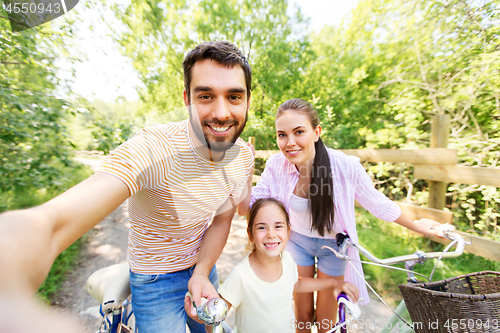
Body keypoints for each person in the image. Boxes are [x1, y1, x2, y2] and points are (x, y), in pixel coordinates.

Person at [0, 41, 254, 333]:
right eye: (206, 96)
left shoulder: (242, 157)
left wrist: (200, 272)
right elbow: (54, 222)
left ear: (247, 100)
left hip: (203, 266)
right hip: (154, 277)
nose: (222, 113)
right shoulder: (155, 149)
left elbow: (222, 220)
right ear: (187, 99)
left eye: (234, 96)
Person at [237, 98, 442, 333]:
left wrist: (417, 226)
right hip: (296, 243)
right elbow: (245, 209)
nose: (290, 143)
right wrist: (247, 169)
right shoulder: (276, 165)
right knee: (301, 317)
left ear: (316, 132)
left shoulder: (344, 167)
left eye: (299, 132)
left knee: (326, 321)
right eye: (282, 135)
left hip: (332, 247)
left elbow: (378, 204)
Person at [210, 198, 358, 333]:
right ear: (251, 234)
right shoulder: (241, 275)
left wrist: (333, 283)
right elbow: (215, 316)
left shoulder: (286, 259)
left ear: (288, 231)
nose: (271, 234)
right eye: (262, 227)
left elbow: (296, 283)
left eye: (278, 226)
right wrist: (204, 315)